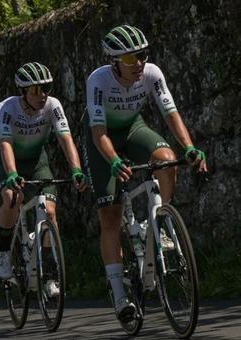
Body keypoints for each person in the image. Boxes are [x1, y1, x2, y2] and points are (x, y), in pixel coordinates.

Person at [85, 25, 207, 321]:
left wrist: (190, 147)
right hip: (101, 138)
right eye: (130, 59)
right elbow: (99, 130)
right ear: (114, 62)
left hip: (132, 128)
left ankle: (162, 224)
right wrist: (113, 159)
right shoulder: (98, 80)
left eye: (141, 55)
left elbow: (171, 113)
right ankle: (118, 292)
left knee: (167, 160)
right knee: (110, 215)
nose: (138, 63)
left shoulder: (152, 73)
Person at [0, 62, 86, 299]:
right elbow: (5, 143)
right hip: (9, 162)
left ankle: (50, 276)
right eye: (35, 90)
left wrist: (76, 170)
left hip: (37, 163)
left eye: (46, 88)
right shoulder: (6, 107)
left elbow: (66, 138)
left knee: (50, 213)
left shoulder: (53, 105)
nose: (42, 94)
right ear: (23, 91)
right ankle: (4, 250)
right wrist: (12, 174)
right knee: (12, 198)